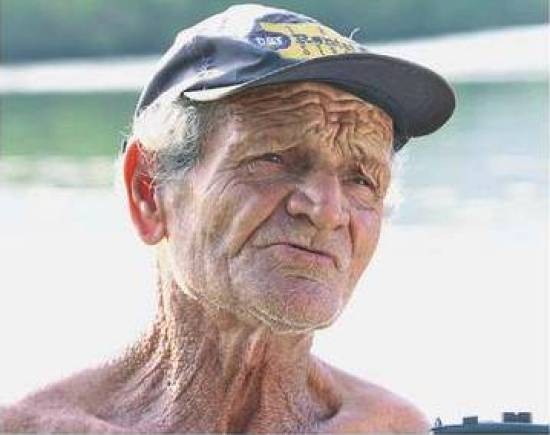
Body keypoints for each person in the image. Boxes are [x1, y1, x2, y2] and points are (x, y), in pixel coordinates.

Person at [1, 4, 454, 433]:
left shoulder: (396, 429)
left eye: (360, 179)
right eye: (273, 157)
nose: (328, 210)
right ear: (149, 191)